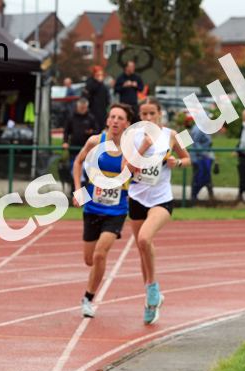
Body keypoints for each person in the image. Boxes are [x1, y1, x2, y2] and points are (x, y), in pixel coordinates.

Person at [123, 96, 191, 325]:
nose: (148, 118)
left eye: (152, 113)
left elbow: (187, 158)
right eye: (144, 114)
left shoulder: (172, 135)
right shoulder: (132, 137)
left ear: (160, 114)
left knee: (144, 239)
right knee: (143, 249)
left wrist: (178, 163)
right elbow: (126, 169)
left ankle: (152, 290)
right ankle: (152, 300)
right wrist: (143, 147)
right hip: (137, 199)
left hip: (161, 200)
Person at [72, 103, 133, 318]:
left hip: (116, 211)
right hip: (92, 207)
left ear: (127, 124)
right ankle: (94, 280)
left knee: (99, 255)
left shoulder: (130, 149)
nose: (115, 121)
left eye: (120, 118)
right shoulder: (94, 141)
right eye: (113, 117)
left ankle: (88, 299)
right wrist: (78, 190)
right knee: (89, 259)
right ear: (107, 120)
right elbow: (78, 163)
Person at [190, 118, 215, 201]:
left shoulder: (204, 127)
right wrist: (205, 153)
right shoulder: (198, 128)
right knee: (198, 176)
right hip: (198, 158)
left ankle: (210, 196)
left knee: (207, 176)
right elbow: (195, 143)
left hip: (204, 158)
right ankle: (193, 197)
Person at [83, 66, 109, 131]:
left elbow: (105, 94)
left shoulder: (103, 84)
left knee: (101, 127)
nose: (101, 76)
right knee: (95, 127)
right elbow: (90, 90)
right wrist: (98, 82)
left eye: (101, 74)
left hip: (102, 109)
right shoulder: (91, 81)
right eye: (98, 74)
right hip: (93, 108)